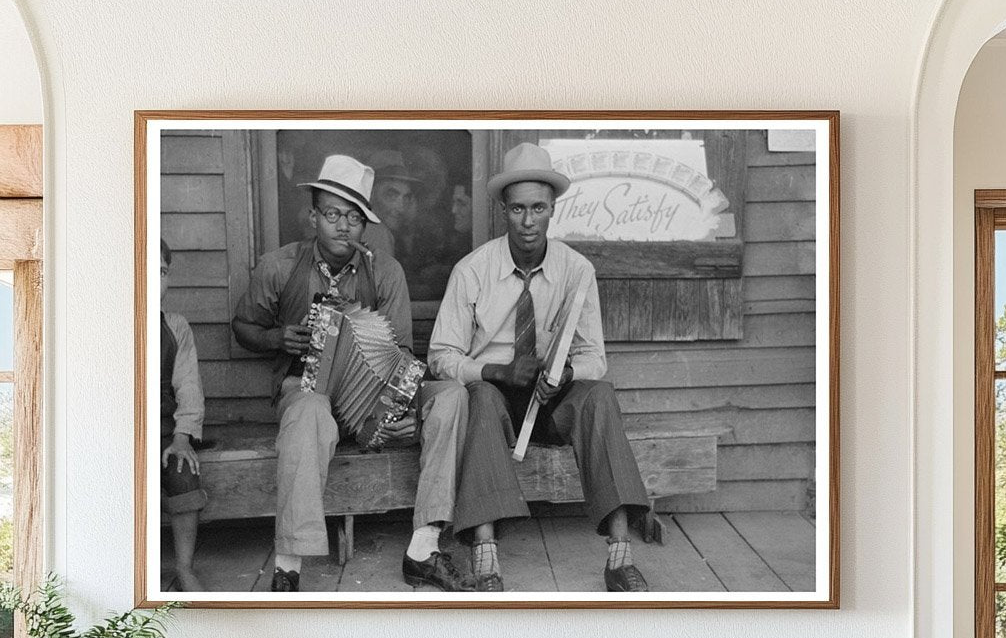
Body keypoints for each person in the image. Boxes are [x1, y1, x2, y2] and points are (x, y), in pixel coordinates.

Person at [232, 154, 471, 593]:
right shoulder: (279, 265)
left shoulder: (386, 271)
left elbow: (400, 351)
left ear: (365, 225)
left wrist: (398, 411)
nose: (343, 226)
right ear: (313, 217)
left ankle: (424, 546)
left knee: (452, 394)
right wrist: (276, 339)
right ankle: (288, 564)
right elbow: (243, 327)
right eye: (332, 214)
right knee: (307, 409)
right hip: (309, 391)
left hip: (371, 399)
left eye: (354, 218)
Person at [428, 143, 650, 593]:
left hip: (551, 400)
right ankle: (486, 553)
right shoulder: (472, 271)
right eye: (517, 210)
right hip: (494, 403)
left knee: (600, 394)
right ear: (502, 211)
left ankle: (620, 552)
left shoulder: (576, 270)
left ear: (552, 209)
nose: (528, 222)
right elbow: (440, 356)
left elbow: (594, 357)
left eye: (538, 209)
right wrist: (493, 372)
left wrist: (566, 375)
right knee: (485, 399)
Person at [159, 238, 207, 592]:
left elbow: (188, 386)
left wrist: (181, 437)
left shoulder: (174, 327)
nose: (157, 280)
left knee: (183, 474)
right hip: (120, 429)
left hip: (165, 430)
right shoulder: (107, 322)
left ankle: (184, 567)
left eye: (163, 272)